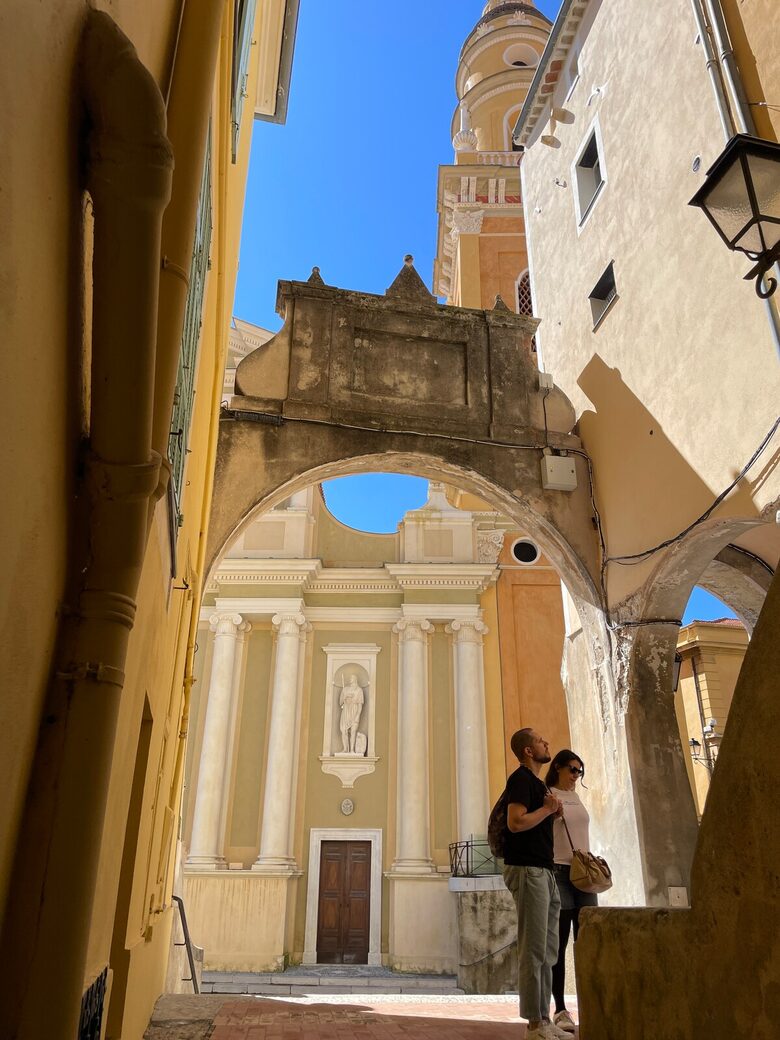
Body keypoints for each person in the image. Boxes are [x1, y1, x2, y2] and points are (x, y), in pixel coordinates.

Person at [502, 728, 570, 1040]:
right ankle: (534, 1024)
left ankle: (544, 1018)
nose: (547, 743)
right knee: (533, 949)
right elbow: (515, 822)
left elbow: (532, 823)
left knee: (548, 949)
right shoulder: (520, 779)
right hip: (528, 870)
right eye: (541, 741)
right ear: (529, 751)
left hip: (544, 870)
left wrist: (550, 814)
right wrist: (546, 809)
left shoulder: (537, 783)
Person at [545, 749, 597, 1035]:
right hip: (559, 872)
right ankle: (560, 1009)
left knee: (587, 940)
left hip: (584, 873)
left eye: (580, 771)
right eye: (573, 770)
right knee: (560, 942)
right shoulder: (549, 795)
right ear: (558, 768)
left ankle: (591, 1005)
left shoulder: (576, 796)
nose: (577, 775)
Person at [338, 674, 364, 753]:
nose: (350, 679)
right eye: (350, 677)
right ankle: (345, 749)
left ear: (355, 679)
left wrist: (358, 716)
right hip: (346, 711)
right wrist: (345, 697)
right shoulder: (345, 689)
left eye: (352, 677)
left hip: (354, 711)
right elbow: (340, 703)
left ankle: (352, 749)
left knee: (353, 731)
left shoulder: (359, 690)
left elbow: (360, 705)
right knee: (343, 730)